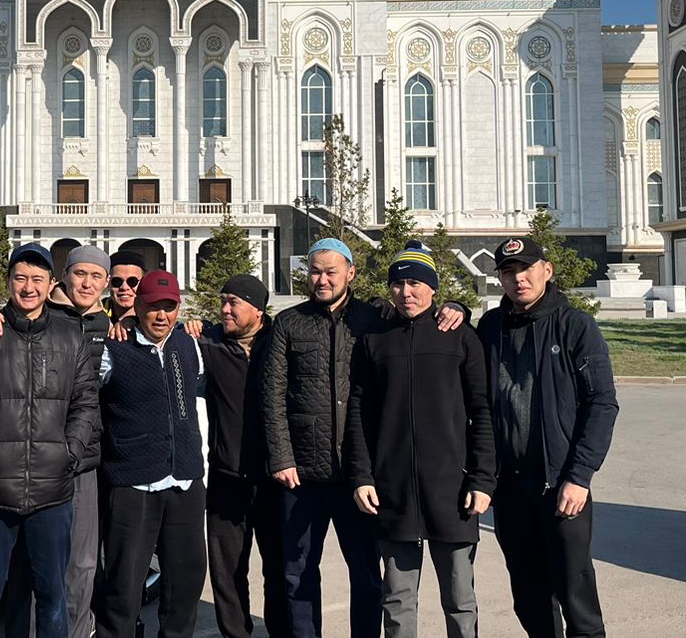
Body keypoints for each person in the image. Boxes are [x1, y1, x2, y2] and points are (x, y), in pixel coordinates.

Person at [346, 241, 496, 638]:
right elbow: (358, 413)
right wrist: (362, 476)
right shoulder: (374, 340)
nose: (405, 292)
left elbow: (482, 411)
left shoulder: (460, 337)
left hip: (453, 492)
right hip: (392, 492)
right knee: (397, 603)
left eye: (415, 283)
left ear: (432, 287)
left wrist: (482, 480)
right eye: (397, 284)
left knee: (460, 601)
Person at [0, 243, 99, 638]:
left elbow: (86, 402)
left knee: (52, 598)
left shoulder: (70, 336)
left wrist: (68, 454)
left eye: (37, 279)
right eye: (20, 278)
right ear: (8, 281)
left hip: (52, 492)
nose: (28, 288)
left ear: (51, 285)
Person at [477, 237, 618, 638]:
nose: (518, 279)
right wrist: (451, 307)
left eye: (526, 269)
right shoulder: (490, 327)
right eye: (508, 272)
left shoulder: (575, 326)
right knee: (528, 595)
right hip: (510, 489)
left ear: (546, 270)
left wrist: (579, 476)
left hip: (560, 485)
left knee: (575, 594)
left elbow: (602, 403)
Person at [259, 238, 384, 638]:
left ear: (351, 272)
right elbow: (273, 394)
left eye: (331, 272)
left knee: (366, 573)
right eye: (315, 271)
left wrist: (456, 307)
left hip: (357, 474)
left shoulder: (373, 319)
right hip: (301, 475)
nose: (322, 279)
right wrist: (281, 457)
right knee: (297, 572)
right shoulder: (289, 323)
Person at [95, 269, 207, 638]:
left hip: (185, 480)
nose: (161, 315)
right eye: (153, 306)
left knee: (186, 582)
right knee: (123, 587)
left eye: (169, 307)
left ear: (179, 309)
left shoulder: (190, 345)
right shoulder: (113, 349)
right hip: (133, 483)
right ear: (138, 306)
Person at [194, 274, 289, 638]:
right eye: (223, 301)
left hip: (275, 478)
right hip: (226, 477)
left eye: (234, 303)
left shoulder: (280, 343)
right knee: (227, 573)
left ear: (258, 310)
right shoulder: (210, 343)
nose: (225, 310)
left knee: (279, 569)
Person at [106, 250, 145, 320]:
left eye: (132, 281)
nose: (124, 287)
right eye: (117, 281)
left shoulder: (153, 316)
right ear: (108, 282)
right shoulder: (93, 314)